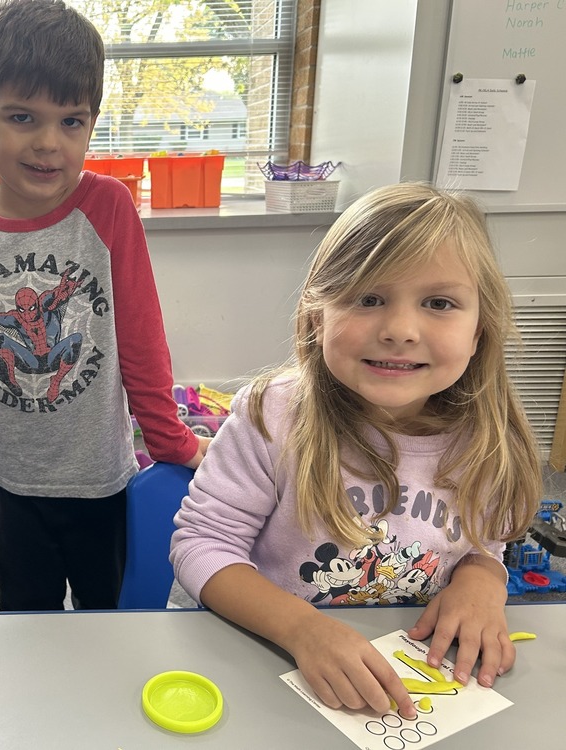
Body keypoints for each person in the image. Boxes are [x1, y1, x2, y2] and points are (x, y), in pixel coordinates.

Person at [171, 183, 542, 719]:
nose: (399, 330)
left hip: (414, 680)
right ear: (318, 314)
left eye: (439, 303)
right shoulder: (273, 416)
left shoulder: (488, 438)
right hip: (266, 661)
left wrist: (483, 579)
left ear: (480, 328)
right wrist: (302, 630)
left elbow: (485, 546)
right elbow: (202, 546)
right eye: (368, 299)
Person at [0, 0, 208, 611]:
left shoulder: (109, 207)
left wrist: (170, 441)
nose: (49, 144)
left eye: (72, 122)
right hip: (15, 486)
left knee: (108, 626)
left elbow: (142, 338)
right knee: (26, 629)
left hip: (103, 483)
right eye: (23, 117)